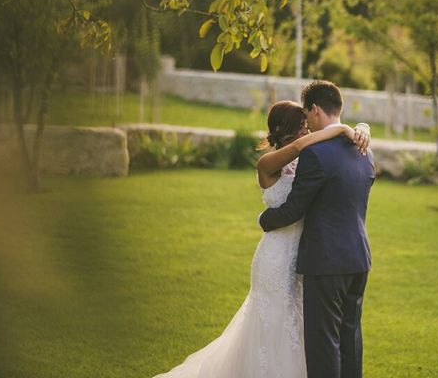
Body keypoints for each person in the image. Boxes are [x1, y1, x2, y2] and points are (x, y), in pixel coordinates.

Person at [152, 98, 371, 378]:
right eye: (303, 126)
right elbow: (299, 148)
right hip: (277, 256)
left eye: (308, 125)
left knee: (306, 328)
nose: (308, 131)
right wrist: (342, 129)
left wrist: (361, 128)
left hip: (308, 253)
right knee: (274, 324)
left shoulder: (313, 158)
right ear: (289, 129)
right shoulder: (269, 162)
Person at [259, 81, 375, 378]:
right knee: (350, 343)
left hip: (326, 262)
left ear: (315, 109)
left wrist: (265, 220)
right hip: (358, 258)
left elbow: (296, 207)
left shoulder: (317, 153)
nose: (307, 125)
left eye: (308, 117)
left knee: (324, 349)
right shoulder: (364, 150)